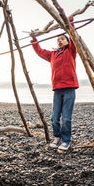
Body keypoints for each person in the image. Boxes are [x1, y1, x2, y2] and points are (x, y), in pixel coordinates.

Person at [29, 17, 78, 151]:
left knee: (66, 118)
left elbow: (75, 38)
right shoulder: (53, 54)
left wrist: (70, 24)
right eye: (58, 39)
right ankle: (57, 137)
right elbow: (39, 51)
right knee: (54, 118)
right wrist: (34, 40)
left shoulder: (71, 51)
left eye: (62, 38)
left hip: (69, 88)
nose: (60, 40)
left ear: (67, 41)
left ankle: (66, 140)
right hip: (57, 89)